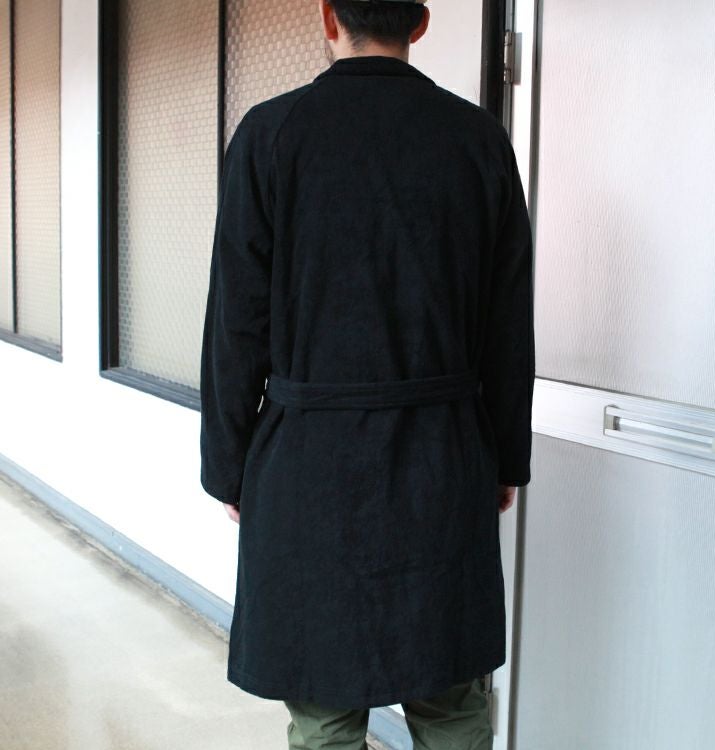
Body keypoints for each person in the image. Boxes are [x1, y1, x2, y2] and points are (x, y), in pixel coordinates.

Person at [199, 0, 535, 747]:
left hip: (308, 467)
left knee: (323, 709)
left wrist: (229, 466)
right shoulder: (478, 139)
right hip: (443, 458)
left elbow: (235, 326)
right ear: (419, 23)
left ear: (328, 17)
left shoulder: (269, 134)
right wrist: (505, 457)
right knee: (453, 703)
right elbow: (508, 327)